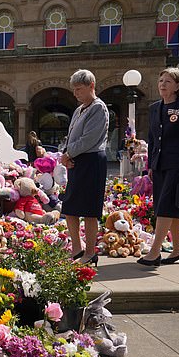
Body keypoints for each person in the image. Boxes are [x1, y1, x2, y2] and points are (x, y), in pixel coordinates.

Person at [138, 67, 179, 266]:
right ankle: (177, 251)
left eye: (167, 81)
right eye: (160, 81)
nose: (162, 84)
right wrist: (150, 163)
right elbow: (152, 138)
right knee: (172, 207)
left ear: (177, 85)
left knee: (165, 207)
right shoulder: (155, 107)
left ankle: (155, 251)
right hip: (159, 164)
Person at [59, 69, 108, 266]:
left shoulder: (98, 108)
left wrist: (68, 153)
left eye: (79, 89)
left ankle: (90, 252)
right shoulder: (79, 109)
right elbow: (71, 136)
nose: (76, 93)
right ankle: (77, 248)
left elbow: (89, 138)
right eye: (74, 89)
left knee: (88, 210)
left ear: (91, 86)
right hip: (78, 161)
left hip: (92, 160)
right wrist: (66, 154)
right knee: (70, 207)